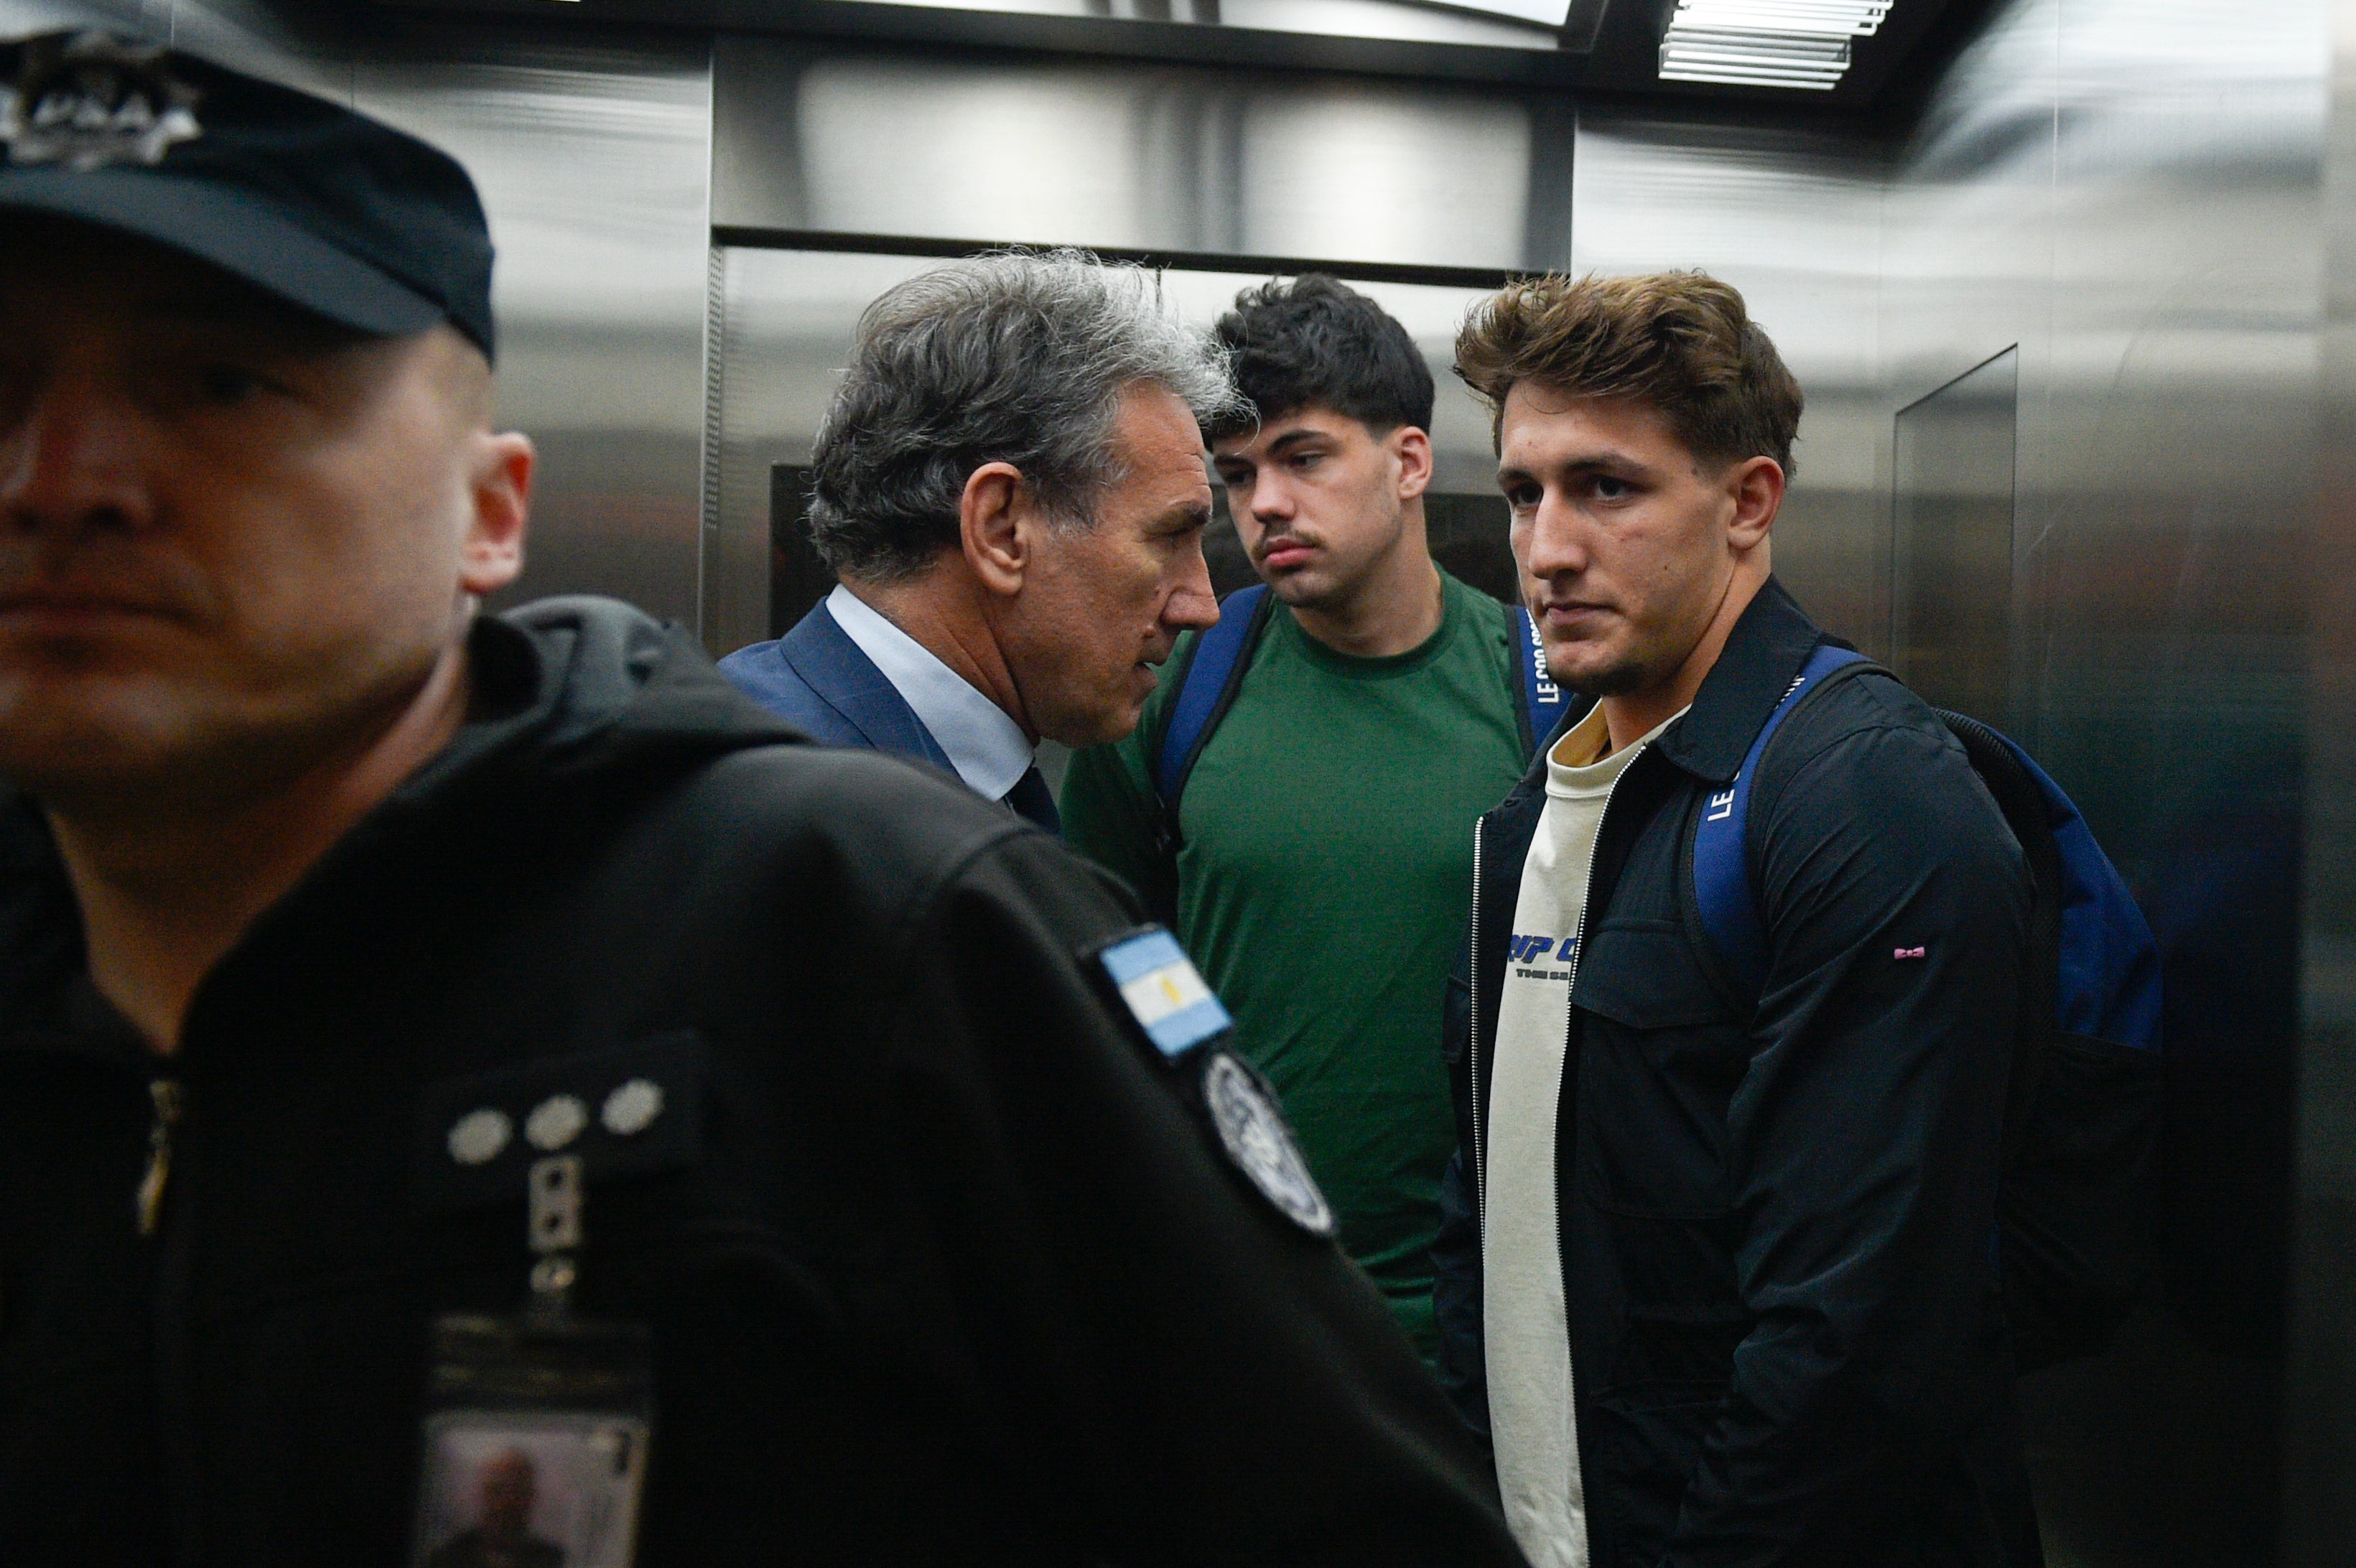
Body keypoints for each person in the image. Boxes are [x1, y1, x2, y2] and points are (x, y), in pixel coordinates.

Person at [0, 31, 1527, 1565]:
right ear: (998, 528)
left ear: (489, 512)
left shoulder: (860, 903)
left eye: (216, 381)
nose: (61, 479)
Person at [1439, 271, 2039, 1567]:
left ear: (1748, 501)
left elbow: (1853, 1341)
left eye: (1607, 486)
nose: (1544, 548)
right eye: (1523, 492)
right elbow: (1488, 1199)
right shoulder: (1543, 799)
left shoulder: (1862, 793)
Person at [1060, 275, 1547, 1363]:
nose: (1264, 503)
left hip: (1485, 1321)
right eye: (1236, 475)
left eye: (1304, 457)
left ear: (1409, 463)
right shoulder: (1175, 690)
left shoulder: (1543, 690)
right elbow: (1086, 986)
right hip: (1240, 1305)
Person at [715, 253, 1226, 831]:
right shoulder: (781, 818)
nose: (1202, 607)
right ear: (1001, 529)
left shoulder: (906, 780)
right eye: (1170, 537)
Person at [427, 1451, 564, 1568]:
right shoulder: (449, 1557)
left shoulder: (552, 1559)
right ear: (484, 1493)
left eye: (519, 1490)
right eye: (499, 1489)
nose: (509, 1500)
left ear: (531, 1497)